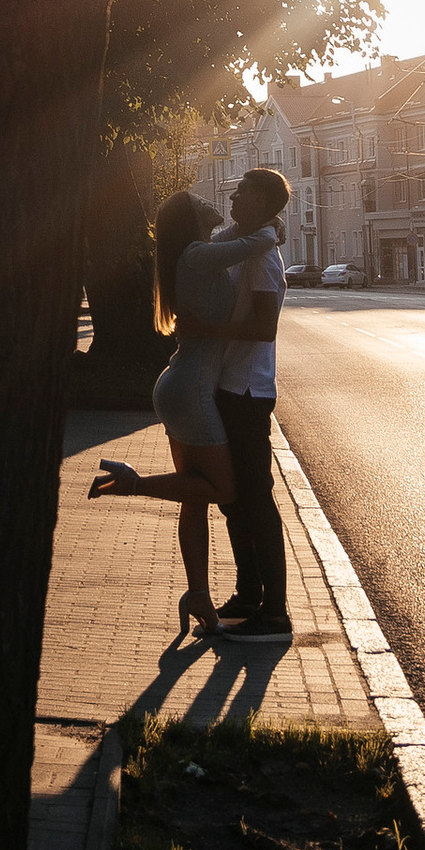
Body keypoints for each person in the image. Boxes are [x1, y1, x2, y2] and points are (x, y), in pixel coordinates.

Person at [87, 183, 254, 642]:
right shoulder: (199, 253)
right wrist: (270, 227)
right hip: (191, 390)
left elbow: (238, 237)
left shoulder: (198, 251)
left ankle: (198, 594)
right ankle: (131, 483)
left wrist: (257, 226)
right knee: (222, 488)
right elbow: (253, 240)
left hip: (180, 384)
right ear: (191, 220)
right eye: (199, 201)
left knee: (194, 498)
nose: (209, 200)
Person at [209, 169, 293, 641]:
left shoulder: (264, 257)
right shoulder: (245, 241)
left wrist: (206, 330)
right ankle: (247, 594)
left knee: (255, 498)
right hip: (231, 385)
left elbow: (264, 327)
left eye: (242, 191)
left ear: (261, 201)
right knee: (234, 497)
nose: (233, 195)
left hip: (247, 391)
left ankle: (275, 611)